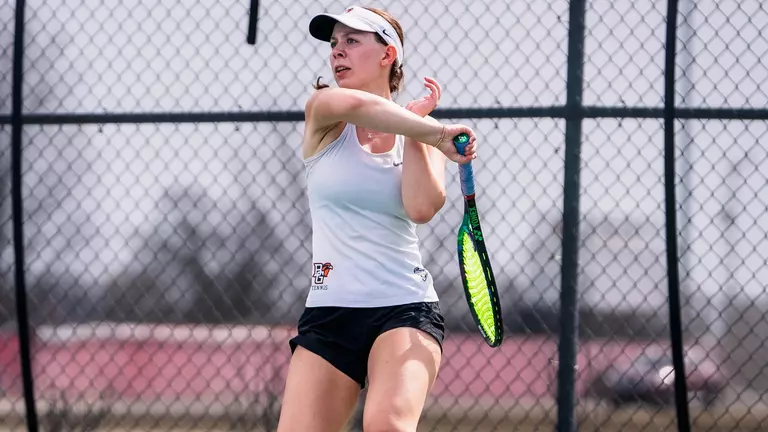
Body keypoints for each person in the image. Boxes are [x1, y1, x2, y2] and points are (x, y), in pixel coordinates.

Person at [276, 5, 478, 432]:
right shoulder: (325, 109)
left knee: (386, 426)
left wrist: (418, 130)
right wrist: (435, 134)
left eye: (352, 41)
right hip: (329, 314)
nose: (337, 53)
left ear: (387, 55)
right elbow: (354, 104)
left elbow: (422, 207)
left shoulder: (422, 132)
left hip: (404, 308)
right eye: (334, 44)